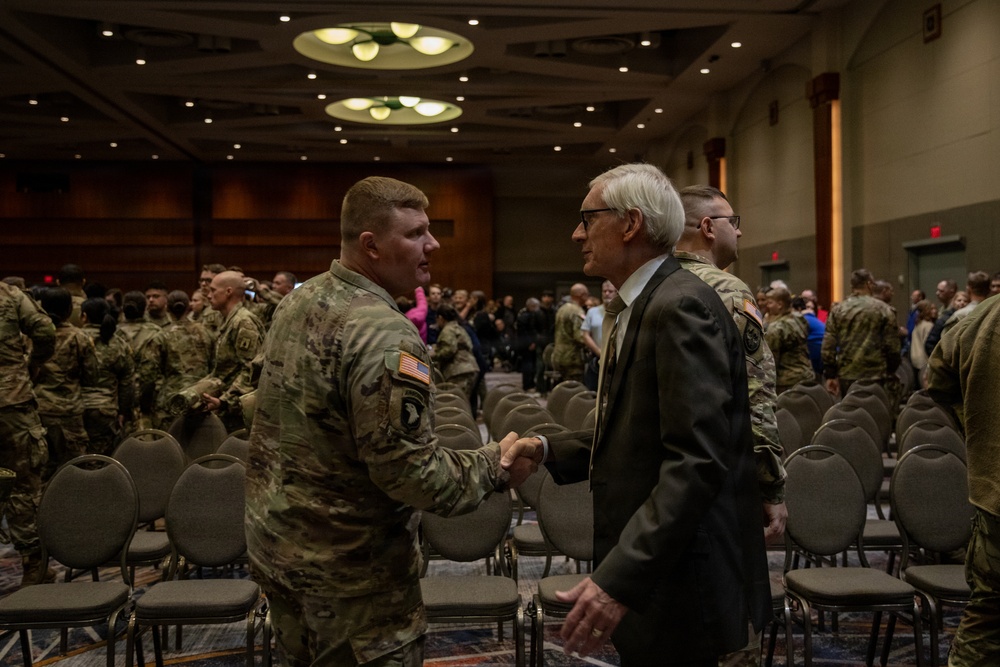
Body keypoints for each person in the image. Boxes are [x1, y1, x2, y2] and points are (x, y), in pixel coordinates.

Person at [244, 176, 526, 667]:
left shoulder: (298, 300)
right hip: (354, 580)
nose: (433, 244)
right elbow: (412, 474)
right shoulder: (382, 332)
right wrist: (494, 463)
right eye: (416, 233)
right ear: (370, 246)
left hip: (282, 555)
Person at [501, 163, 770, 665]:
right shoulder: (645, 303)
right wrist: (547, 449)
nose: (576, 233)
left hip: (685, 581)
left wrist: (618, 580)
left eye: (588, 218)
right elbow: (641, 433)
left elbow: (696, 461)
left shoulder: (679, 306)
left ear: (630, 224)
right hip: (663, 572)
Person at [674, 186, 787, 543]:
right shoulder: (728, 290)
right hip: (717, 470)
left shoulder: (652, 284)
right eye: (732, 221)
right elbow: (755, 392)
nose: (738, 231)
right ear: (708, 227)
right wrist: (770, 486)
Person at [926, 292, 1000, 667]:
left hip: (993, 497)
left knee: (987, 620)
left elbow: (936, 378)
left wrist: (978, 431)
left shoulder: (983, 317)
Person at [0, 281, 56, 587]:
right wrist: (32, 363)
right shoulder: (8, 294)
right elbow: (45, 331)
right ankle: (34, 566)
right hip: (11, 401)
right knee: (23, 485)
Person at [35, 288, 99, 479]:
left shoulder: (31, 336)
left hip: (38, 409)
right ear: (70, 309)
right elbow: (92, 377)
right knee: (75, 470)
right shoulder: (80, 337)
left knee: (42, 469)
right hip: (69, 411)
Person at [198, 271, 265, 432]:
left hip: (238, 410)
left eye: (213, 291)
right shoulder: (229, 320)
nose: (208, 295)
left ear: (228, 292)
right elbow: (225, 369)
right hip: (226, 406)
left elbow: (251, 370)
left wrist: (225, 401)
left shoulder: (244, 322)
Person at [136, 291, 214, 430]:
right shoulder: (207, 332)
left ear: (167, 308)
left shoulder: (161, 336)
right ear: (188, 308)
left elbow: (148, 375)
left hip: (171, 400)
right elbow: (216, 366)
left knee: (169, 446)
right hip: (202, 398)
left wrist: (145, 405)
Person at [820, 269, 901, 398]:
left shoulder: (838, 310)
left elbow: (828, 345)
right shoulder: (884, 309)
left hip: (847, 374)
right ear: (869, 284)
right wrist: (891, 369)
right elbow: (893, 346)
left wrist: (830, 374)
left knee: (851, 414)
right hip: (876, 374)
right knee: (875, 414)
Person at [79, 298, 135, 455]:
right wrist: (124, 412)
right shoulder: (119, 344)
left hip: (74, 408)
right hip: (106, 410)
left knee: (73, 461)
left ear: (84, 316)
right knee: (100, 460)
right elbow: (127, 383)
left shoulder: (76, 339)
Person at [763, 287, 817, 393]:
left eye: (770, 303)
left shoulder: (776, 327)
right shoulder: (800, 319)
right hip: (807, 375)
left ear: (780, 304)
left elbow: (772, 360)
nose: (767, 306)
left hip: (787, 382)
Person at [432, 303, 479, 400]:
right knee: (465, 402)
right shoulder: (459, 327)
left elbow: (449, 350)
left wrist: (433, 354)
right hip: (469, 367)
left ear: (440, 318)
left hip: (458, 371)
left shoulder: (448, 330)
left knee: (457, 402)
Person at [581, 280, 618, 390]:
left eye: (610, 291)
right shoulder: (593, 311)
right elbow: (585, 334)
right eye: (604, 291)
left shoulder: (622, 311)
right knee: (592, 391)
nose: (607, 294)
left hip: (616, 359)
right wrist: (599, 352)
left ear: (616, 292)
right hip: (597, 358)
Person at [551, 283, 589, 383]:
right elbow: (580, 337)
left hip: (558, 354)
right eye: (586, 294)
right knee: (573, 389)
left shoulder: (562, 309)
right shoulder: (577, 311)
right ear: (581, 295)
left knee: (562, 387)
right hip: (572, 357)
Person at [792, 296, 825, 376]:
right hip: (822, 357)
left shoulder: (803, 320)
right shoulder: (811, 318)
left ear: (799, 309)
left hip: (817, 360)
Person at [908, 299, 936, 389]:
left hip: (914, 358)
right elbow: (927, 344)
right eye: (931, 309)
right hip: (923, 359)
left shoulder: (918, 324)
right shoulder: (928, 325)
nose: (934, 311)